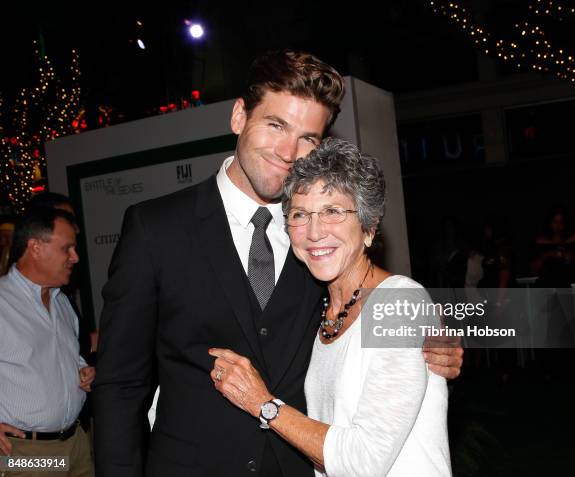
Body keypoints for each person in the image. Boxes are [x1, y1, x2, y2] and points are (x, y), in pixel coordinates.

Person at [94, 50, 462, 477]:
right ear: (238, 117)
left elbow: (366, 320)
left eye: (308, 138)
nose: (289, 151)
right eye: (276, 125)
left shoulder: (319, 240)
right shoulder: (156, 227)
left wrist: (428, 350)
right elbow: (121, 384)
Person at [209, 138, 451, 477]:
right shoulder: (318, 310)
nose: (314, 232)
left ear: (368, 227)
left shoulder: (399, 304)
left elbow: (363, 460)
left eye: (333, 212)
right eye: (299, 214)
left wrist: (262, 404)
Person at [0, 207, 95, 477]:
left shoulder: (62, 302)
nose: (75, 258)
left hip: (75, 443)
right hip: (24, 453)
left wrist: (81, 370)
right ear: (36, 247)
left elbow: (65, 355)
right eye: (67, 249)